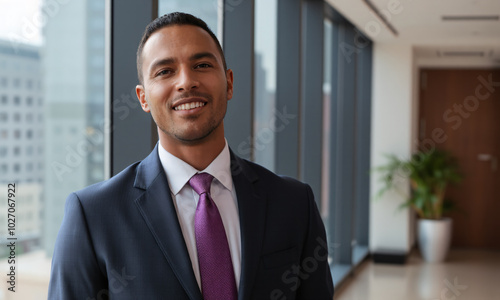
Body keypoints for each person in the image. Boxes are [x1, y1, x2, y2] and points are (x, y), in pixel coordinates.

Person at [48, 12, 334, 300]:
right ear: (143, 97)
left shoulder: (295, 204)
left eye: (202, 65)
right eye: (164, 71)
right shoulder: (93, 215)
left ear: (229, 82)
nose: (186, 82)